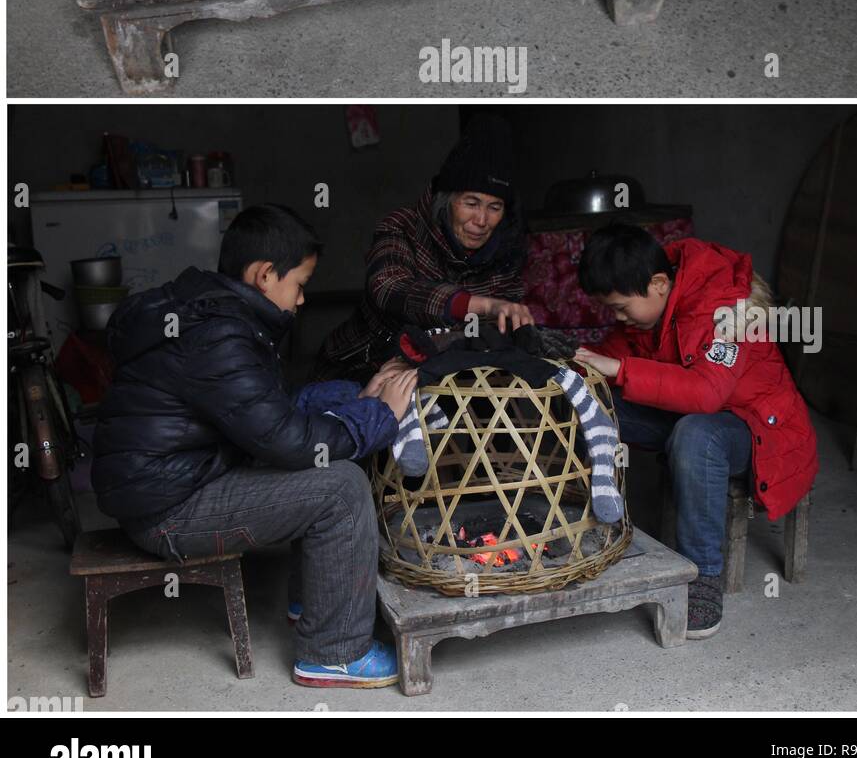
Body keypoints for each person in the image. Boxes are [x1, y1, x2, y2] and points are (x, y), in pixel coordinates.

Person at [91, 203, 417, 690]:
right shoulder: (218, 335)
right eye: (300, 284)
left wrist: (357, 401)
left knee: (339, 424)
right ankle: (334, 653)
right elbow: (286, 440)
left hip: (175, 481)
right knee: (342, 487)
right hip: (168, 511)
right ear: (265, 275)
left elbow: (269, 414)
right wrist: (381, 416)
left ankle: (317, 604)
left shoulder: (210, 313)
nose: (303, 299)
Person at [574, 224, 818, 639]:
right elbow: (611, 356)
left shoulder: (728, 311)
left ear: (658, 283)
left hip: (760, 430)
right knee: (587, 402)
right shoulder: (647, 306)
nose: (616, 318)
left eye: (619, 307)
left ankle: (702, 575)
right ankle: (582, 529)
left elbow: (706, 394)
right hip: (693, 416)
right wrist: (572, 368)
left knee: (697, 435)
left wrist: (620, 369)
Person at [321, 114, 533, 380]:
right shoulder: (403, 227)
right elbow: (388, 288)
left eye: (494, 207)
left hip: (444, 378)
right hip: (362, 366)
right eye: (471, 203)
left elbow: (495, 329)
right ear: (446, 199)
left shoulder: (504, 255)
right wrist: (483, 305)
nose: (481, 220)